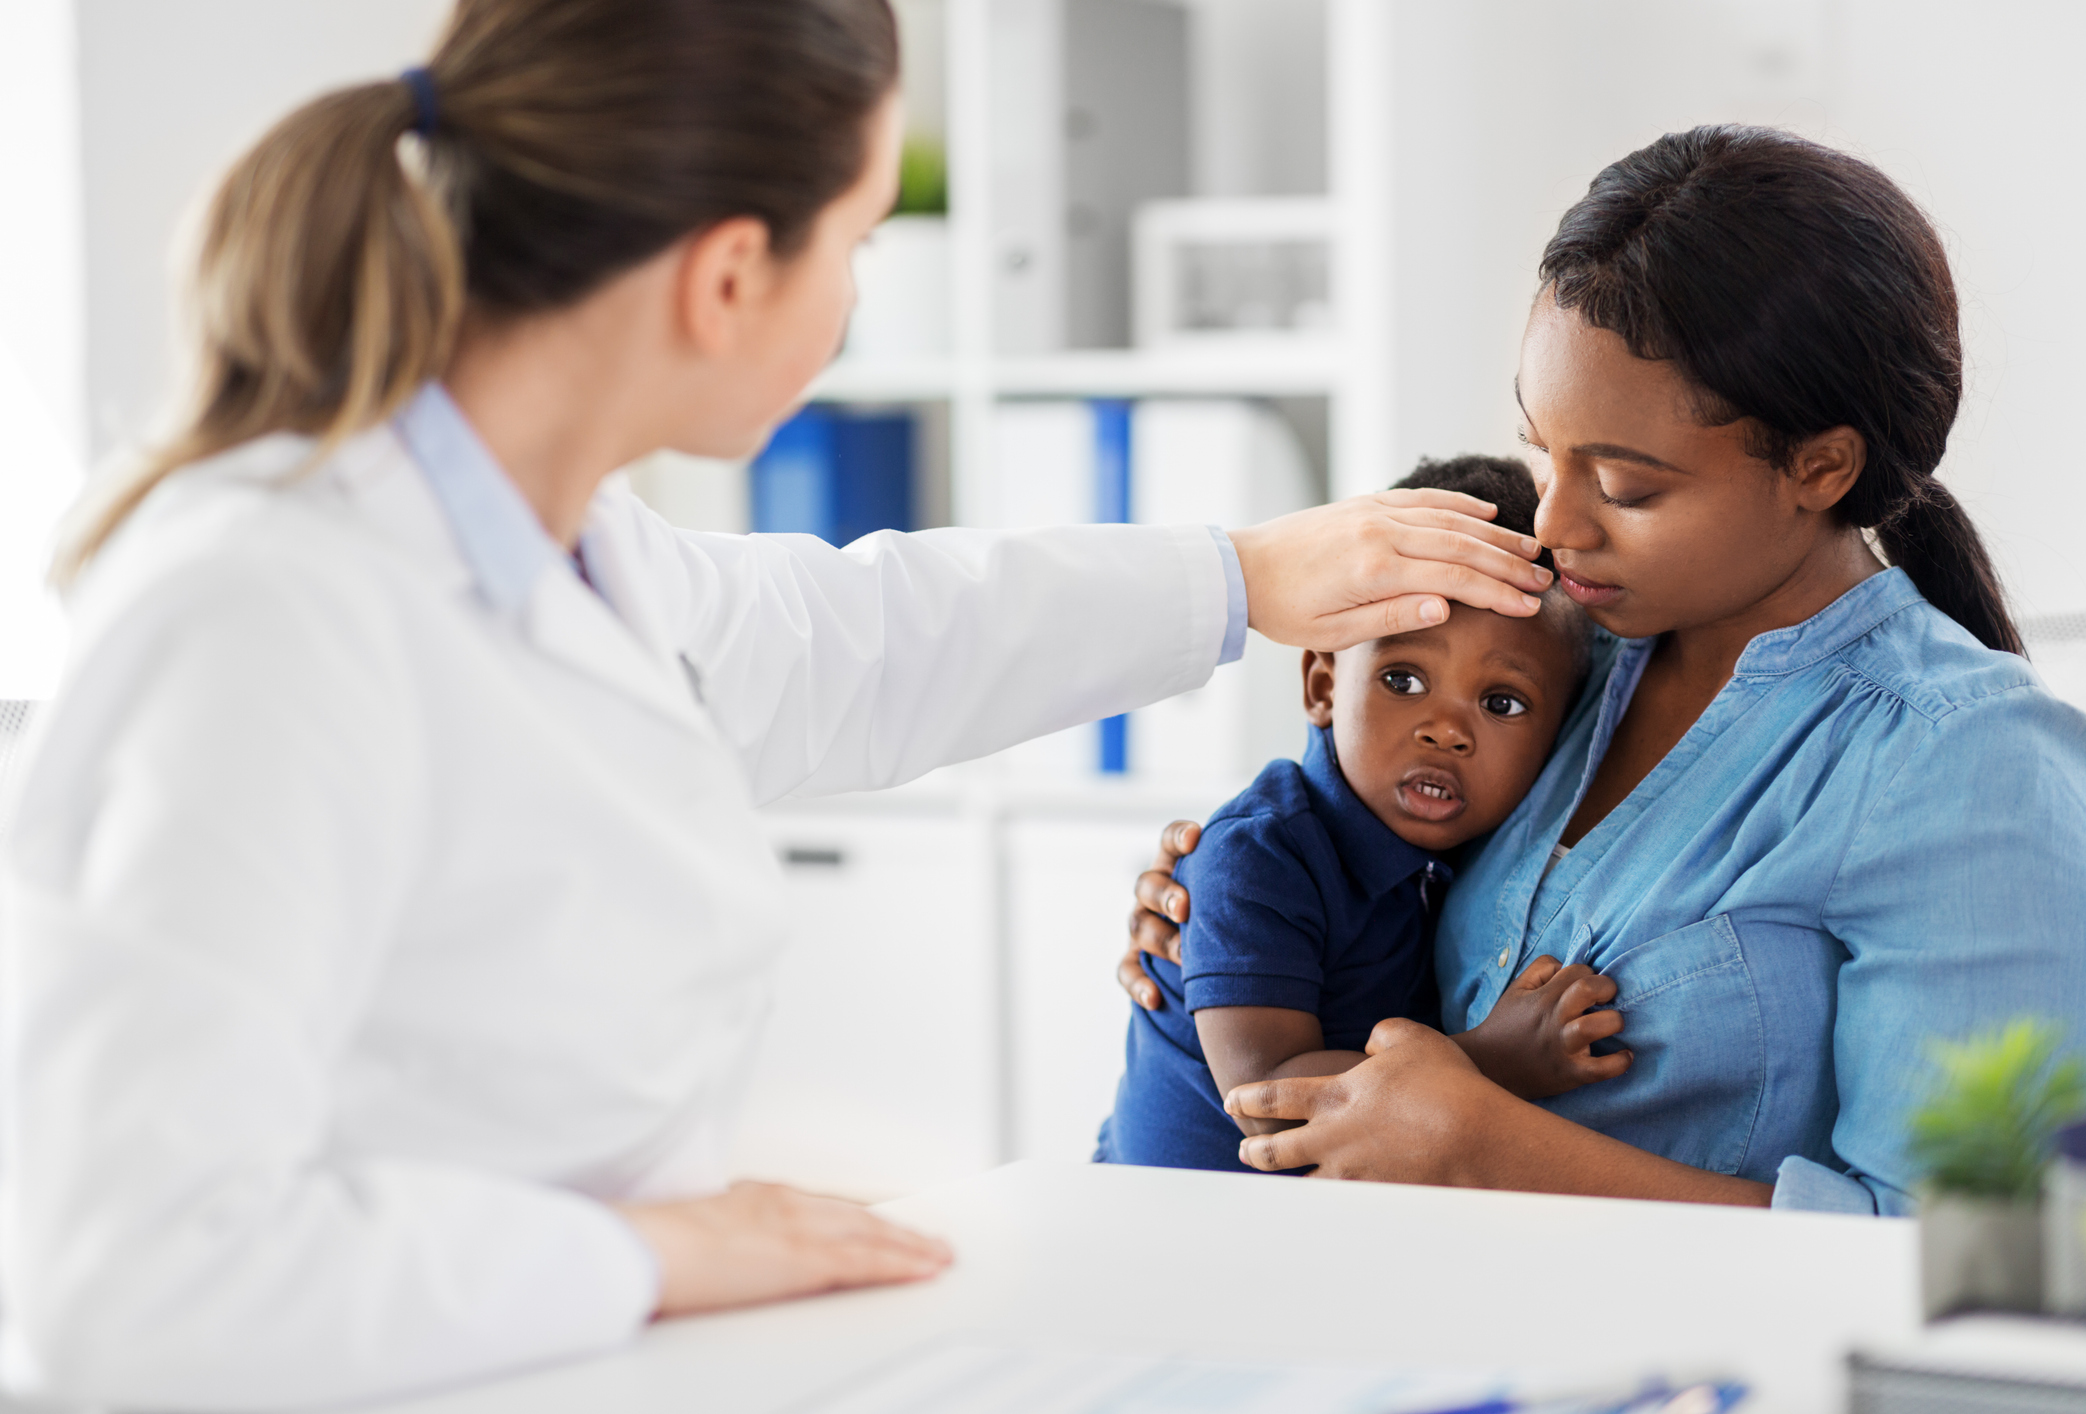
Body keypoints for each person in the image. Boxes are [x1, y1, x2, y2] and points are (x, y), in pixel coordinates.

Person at [0, 2, 1561, 1408]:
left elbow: (861, 636)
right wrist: (659, 1250)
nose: (860, 289)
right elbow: (132, 1283)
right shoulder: (268, 608)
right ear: (733, 273)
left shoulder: (578, 554)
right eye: (861, 239)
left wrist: (1240, 573)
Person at [1119, 124, 2086, 1213]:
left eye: (1627, 488)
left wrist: (1487, 1143)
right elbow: (1355, 868)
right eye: (1545, 452)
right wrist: (1231, 906)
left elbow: (1992, 1267)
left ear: (1820, 466)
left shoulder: (1975, 770)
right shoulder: (1557, 664)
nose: (1554, 524)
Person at [1096, 456, 1623, 1174]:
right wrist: (1494, 1061)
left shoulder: (1464, 854)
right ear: (1321, 684)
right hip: (1171, 1229)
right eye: (1401, 679)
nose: (1446, 730)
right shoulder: (1259, 854)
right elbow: (1267, 1094)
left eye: (1501, 703)